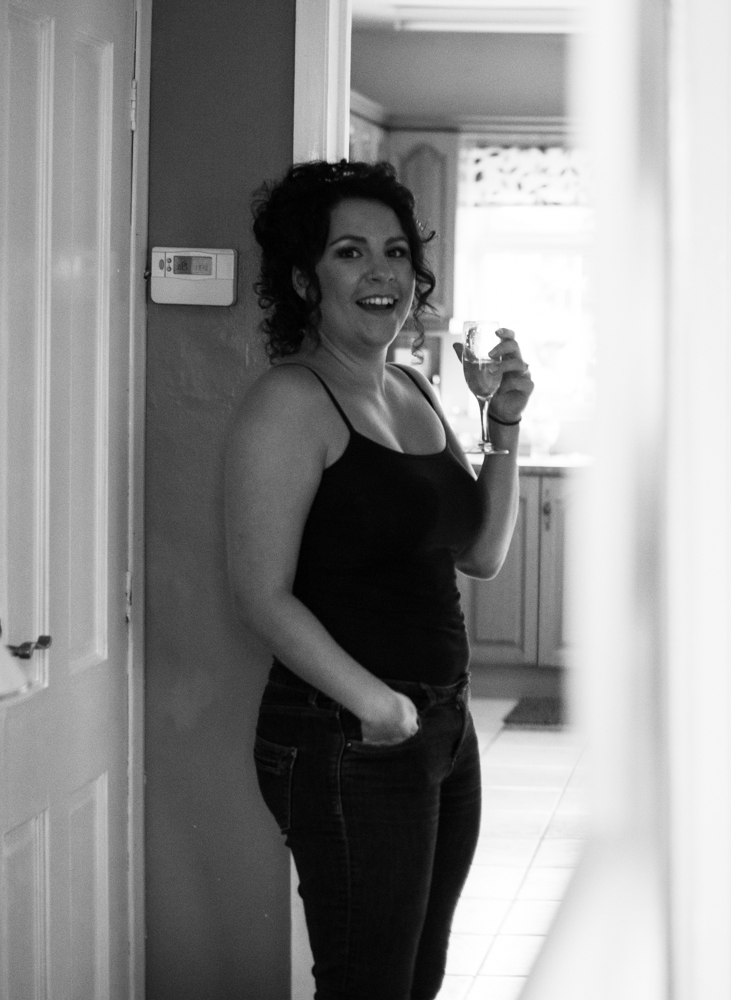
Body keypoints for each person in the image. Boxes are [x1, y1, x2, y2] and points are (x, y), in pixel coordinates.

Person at [223, 159, 533, 999]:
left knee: (415, 978)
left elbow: (482, 552)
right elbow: (259, 594)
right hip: (346, 733)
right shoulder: (291, 401)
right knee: (369, 985)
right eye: (350, 253)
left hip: (441, 726)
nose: (381, 273)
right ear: (303, 277)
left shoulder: (411, 386)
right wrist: (378, 705)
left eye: (394, 252)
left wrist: (500, 422)